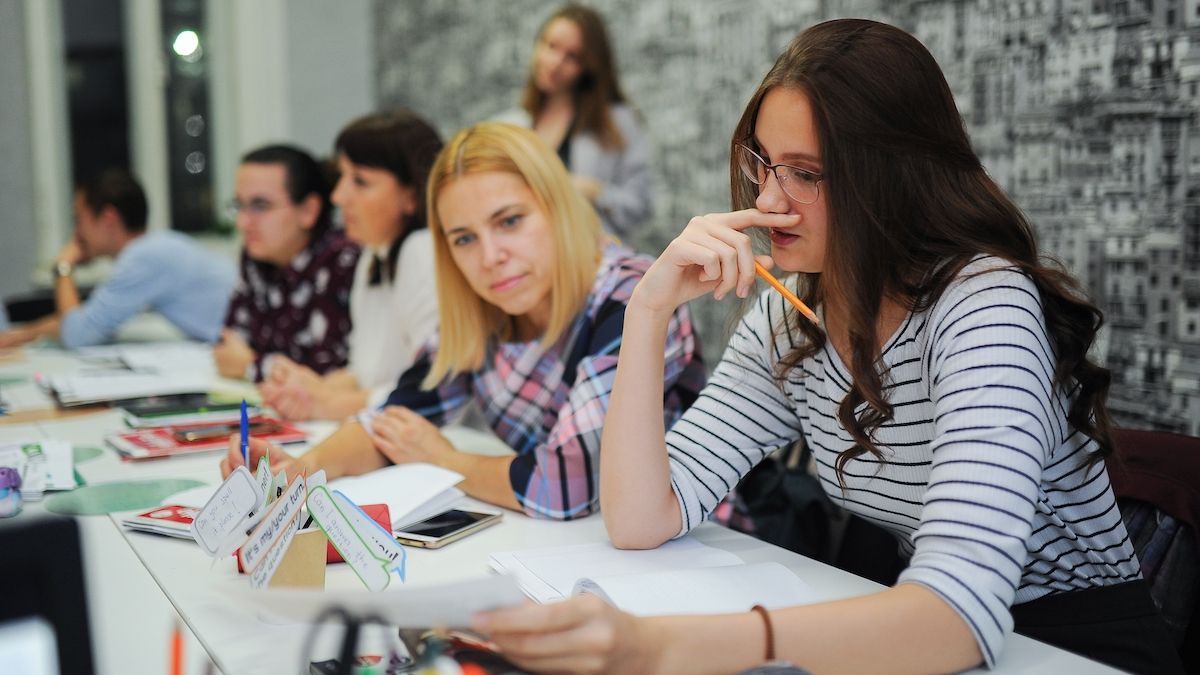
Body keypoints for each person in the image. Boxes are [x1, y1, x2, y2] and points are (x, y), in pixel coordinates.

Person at [472, 19, 1180, 675]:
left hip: (1072, 645)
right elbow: (640, 517)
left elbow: (962, 611)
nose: (772, 200)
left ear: (894, 178)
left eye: (806, 173)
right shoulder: (793, 316)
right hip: (929, 628)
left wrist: (669, 644)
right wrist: (648, 309)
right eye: (764, 163)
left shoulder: (982, 304)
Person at [222, 122, 705, 520]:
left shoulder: (634, 297)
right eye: (464, 239)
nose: (491, 257)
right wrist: (304, 468)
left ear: (558, 209)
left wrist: (444, 459)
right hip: (566, 551)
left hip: (698, 548)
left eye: (510, 221)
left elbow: (564, 484)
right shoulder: (482, 309)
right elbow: (397, 420)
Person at [259, 111, 444, 419]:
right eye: (341, 176)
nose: (339, 195)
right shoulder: (373, 255)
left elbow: (432, 390)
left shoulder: (423, 251)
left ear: (412, 195)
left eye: (360, 181)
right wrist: (307, 386)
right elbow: (366, 374)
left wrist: (324, 403)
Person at [0, 169, 235, 349]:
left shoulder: (145, 257)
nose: (76, 235)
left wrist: (63, 266)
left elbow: (77, 335)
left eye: (79, 220)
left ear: (109, 219)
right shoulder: (155, 249)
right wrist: (22, 335)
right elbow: (88, 319)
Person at [495, 3, 651, 241]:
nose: (555, 62)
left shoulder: (616, 123)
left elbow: (640, 207)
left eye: (573, 56)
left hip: (592, 258)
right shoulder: (507, 127)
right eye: (550, 46)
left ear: (590, 67)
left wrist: (594, 191)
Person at [214, 145, 359, 381]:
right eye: (239, 205)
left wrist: (254, 366)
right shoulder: (256, 259)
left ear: (309, 210)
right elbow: (229, 349)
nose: (243, 222)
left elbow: (329, 373)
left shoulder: (342, 261)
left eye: (260, 206)